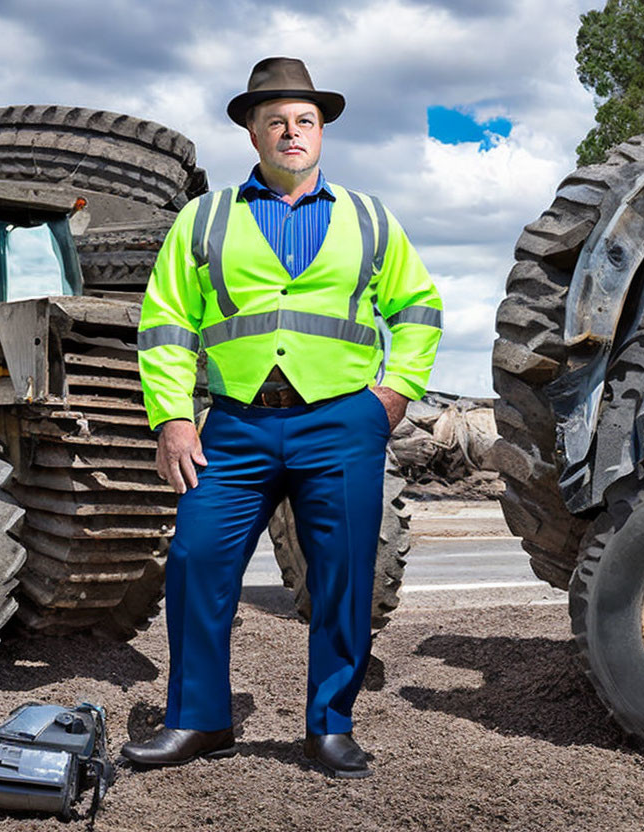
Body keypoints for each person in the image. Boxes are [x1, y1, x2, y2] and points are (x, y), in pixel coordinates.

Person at [122, 57, 443, 778]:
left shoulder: (369, 219)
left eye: (304, 121)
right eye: (277, 122)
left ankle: (329, 726)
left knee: (344, 577)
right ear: (254, 133)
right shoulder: (203, 220)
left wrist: (393, 395)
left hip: (341, 423)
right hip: (235, 426)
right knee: (196, 561)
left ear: (320, 132)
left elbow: (420, 310)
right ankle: (200, 721)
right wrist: (172, 417)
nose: (291, 133)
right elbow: (167, 321)